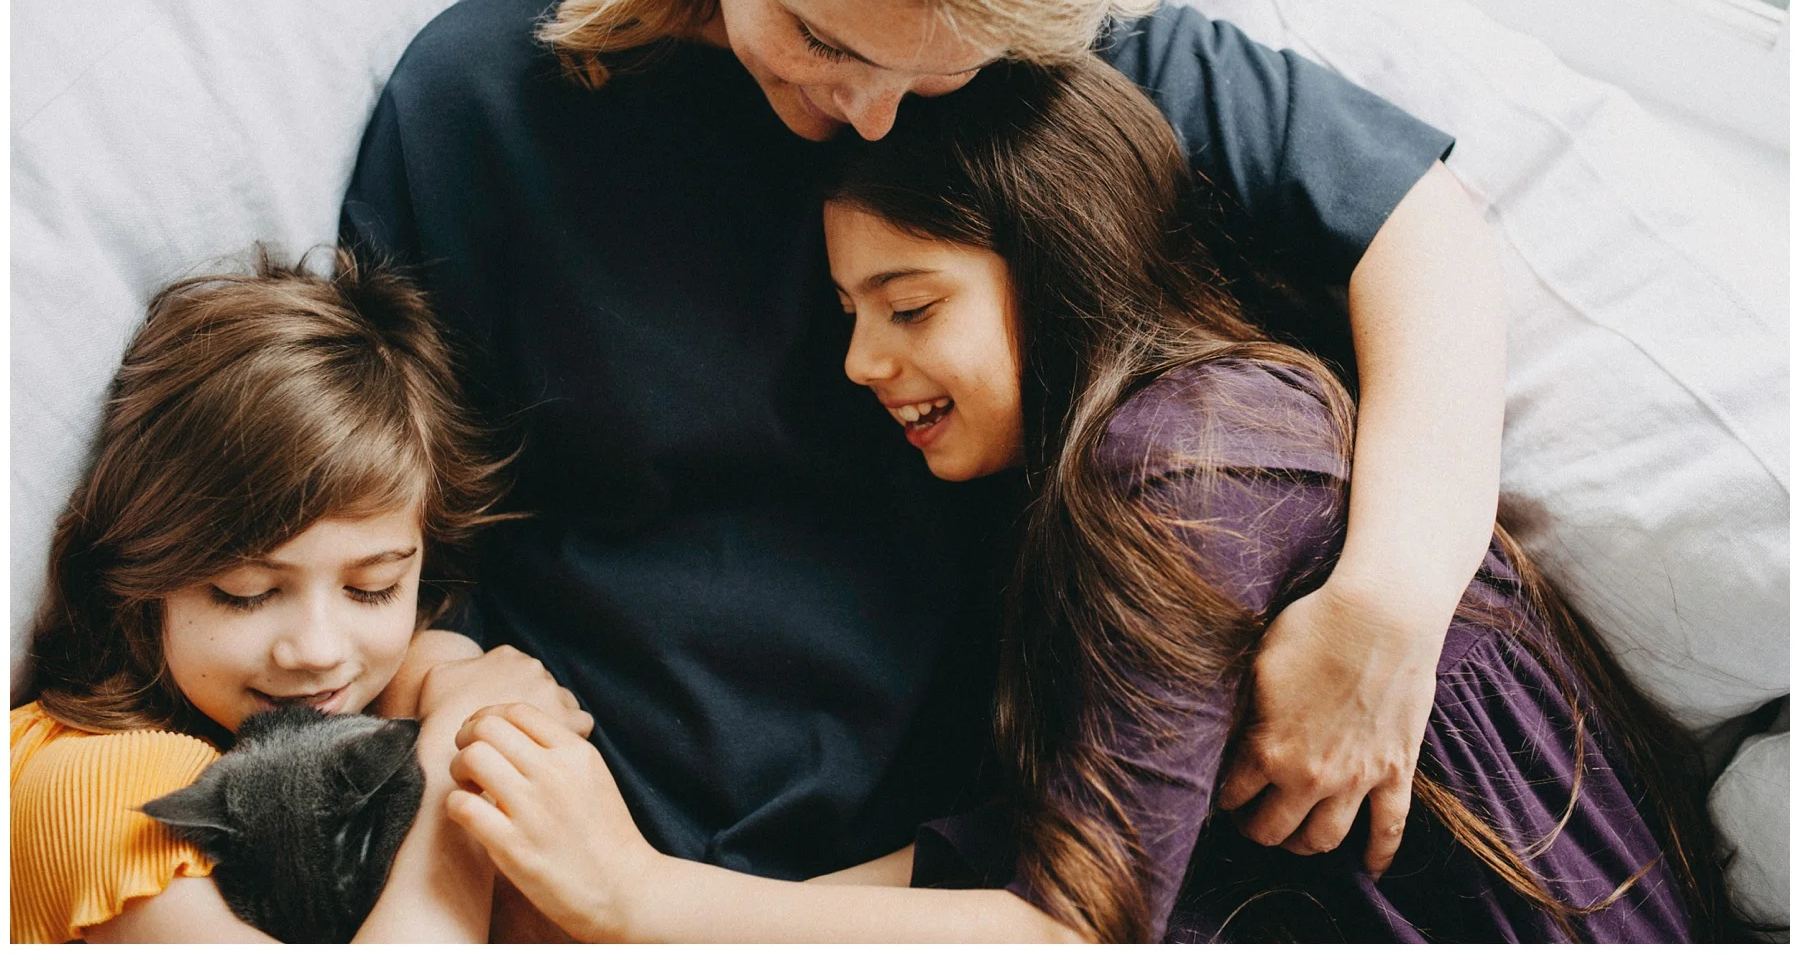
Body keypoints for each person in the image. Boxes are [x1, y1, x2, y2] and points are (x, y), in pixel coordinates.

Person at [341, 0, 1505, 887]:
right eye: (822, 39)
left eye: (939, 73)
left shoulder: (1051, 51)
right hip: (590, 809)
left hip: (955, 869)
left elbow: (1423, 230)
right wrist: (451, 689)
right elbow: (382, 508)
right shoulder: (481, 100)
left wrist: (1388, 606)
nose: (869, 114)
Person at [441, 57, 1741, 942]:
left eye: (911, 307)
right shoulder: (1133, 467)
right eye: (850, 315)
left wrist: (640, 901)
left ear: (1055, 263)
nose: (862, 363)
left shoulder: (1189, 465)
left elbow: (1072, 927)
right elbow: (1054, 848)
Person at [11, 251, 590, 943]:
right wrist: (454, 784)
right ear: (141, 573)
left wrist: (450, 684)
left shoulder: (400, 697)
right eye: (246, 594)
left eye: (372, 589)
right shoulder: (84, 787)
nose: (316, 651)